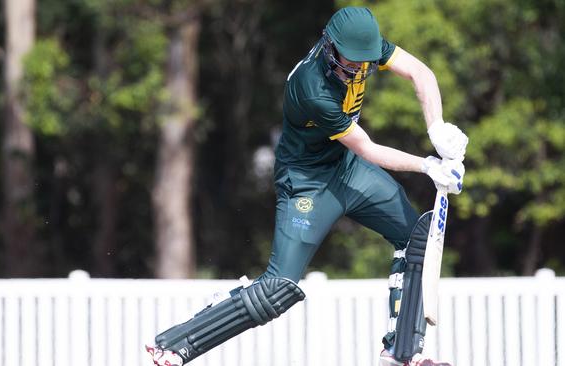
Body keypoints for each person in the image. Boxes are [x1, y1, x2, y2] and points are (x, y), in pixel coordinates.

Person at [145, 6, 467, 366]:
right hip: (307, 182)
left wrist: (437, 129)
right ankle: (176, 344)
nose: (360, 69)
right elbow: (367, 147)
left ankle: (403, 352)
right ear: (330, 48)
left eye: (366, 61)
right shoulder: (311, 86)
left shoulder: (363, 49)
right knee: (278, 290)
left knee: (416, 239)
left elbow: (420, 72)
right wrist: (427, 165)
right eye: (352, 62)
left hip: (347, 168)